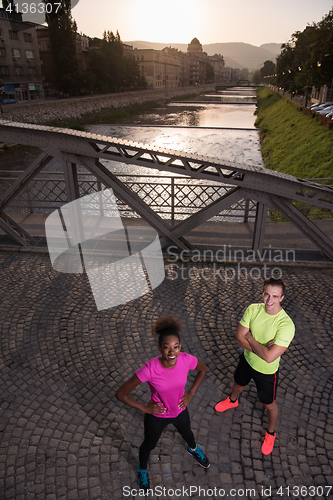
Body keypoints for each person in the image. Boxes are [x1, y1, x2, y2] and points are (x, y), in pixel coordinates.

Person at [116, 315, 210, 492]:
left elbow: (203, 369)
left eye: (176, 347)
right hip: (157, 416)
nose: (172, 352)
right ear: (160, 348)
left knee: (188, 434)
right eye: (167, 348)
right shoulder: (150, 369)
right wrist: (145, 408)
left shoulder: (185, 359)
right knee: (148, 445)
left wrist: (190, 393)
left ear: (180, 347)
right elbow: (121, 394)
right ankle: (142, 469)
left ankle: (193, 449)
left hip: (180, 411)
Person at [215, 277, 295, 455]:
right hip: (247, 360)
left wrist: (250, 337)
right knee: (238, 383)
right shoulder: (253, 309)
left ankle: (271, 433)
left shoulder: (286, 325)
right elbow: (238, 337)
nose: (269, 300)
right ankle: (232, 401)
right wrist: (263, 348)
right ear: (262, 293)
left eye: (275, 296)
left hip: (267, 372)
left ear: (282, 298)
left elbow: (268, 358)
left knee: (269, 404)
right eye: (267, 294)